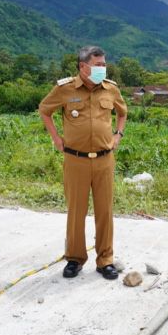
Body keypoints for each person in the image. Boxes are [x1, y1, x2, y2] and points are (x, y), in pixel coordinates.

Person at [38, 46, 127, 280]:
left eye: (103, 64)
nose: (102, 69)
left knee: (105, 211)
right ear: (82, 66)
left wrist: (118, 135)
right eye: (98, 65)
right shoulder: (65, 89)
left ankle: (105, 259)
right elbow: (44, 110)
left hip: (104, 160)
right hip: (75, 159)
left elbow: (123, 112)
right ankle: (75, 259)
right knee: (76, 211)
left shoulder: (111, 89)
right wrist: (56, 138)